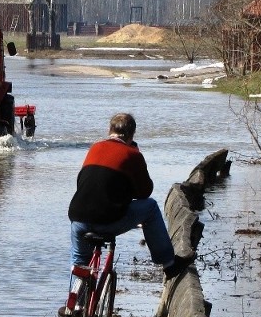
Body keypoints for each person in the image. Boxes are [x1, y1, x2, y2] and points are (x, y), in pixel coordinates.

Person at [68, 113, 194, 280]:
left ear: (109, 130)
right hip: (107, 220)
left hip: (78, 219)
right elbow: (145, 192)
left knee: (79, 264)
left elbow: (86, 183)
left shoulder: (94, 148)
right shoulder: (132, 154)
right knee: (150, 207)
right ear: (132, 134)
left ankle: (74, 304)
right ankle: (169, 264)